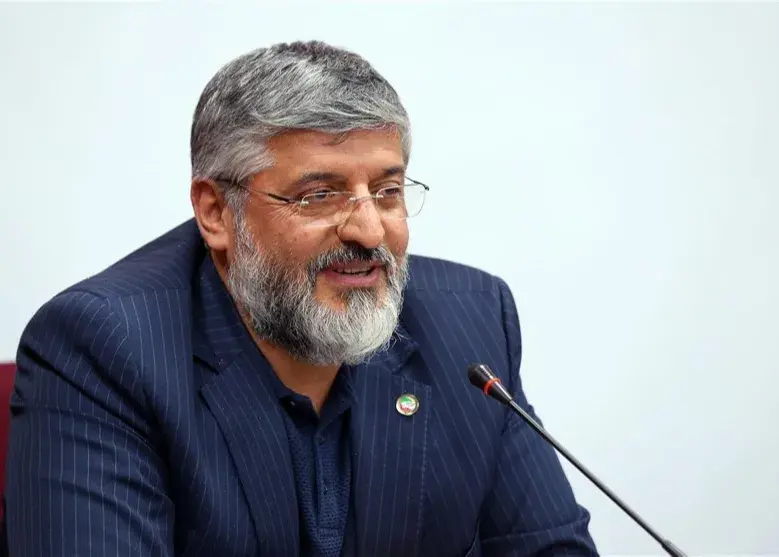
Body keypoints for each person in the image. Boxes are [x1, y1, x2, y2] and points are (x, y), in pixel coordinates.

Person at [2, 41, 598, 557]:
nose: (369, 230)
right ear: (216, 213)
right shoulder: (103, 348)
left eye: (387, 191)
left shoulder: (470, 320)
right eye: (319, 195)